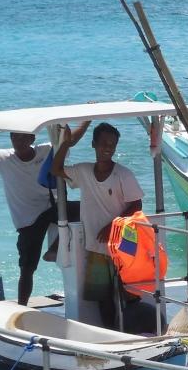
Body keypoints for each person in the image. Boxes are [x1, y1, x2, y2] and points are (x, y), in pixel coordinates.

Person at [51, 122, 144, 326]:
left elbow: (137, 205)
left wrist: (113, 226)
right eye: (103, 143)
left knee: (129, 295)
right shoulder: (83, 171)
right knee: (103, 299)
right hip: (96, 246)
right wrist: (65, 143)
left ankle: (132, 332)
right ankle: (110, 333)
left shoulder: (124, 174)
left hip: (123, 246)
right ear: (93, 144)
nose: (108, 148)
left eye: (112, 144)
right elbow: (55, 169)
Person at [0, 125, 65, 306]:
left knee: (79, 212)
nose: (19, 142)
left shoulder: (46, 150)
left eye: (23, 137)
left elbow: (67, 142)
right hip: (28, 220)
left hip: (51, 208)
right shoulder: (4, 158)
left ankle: (55, 248)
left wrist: (70, 126)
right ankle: (22, 306)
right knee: (27, 269)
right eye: (15, 137)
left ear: (32, 139)